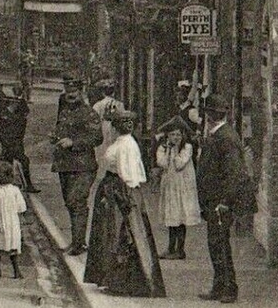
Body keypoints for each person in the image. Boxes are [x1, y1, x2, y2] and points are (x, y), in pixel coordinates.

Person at [84, 109, 165, 298]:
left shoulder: (126, 145)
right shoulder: (123, 142)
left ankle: (125, 282)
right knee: (111, 234)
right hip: (114, 189)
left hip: (120, 191)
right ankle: (113, 279)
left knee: (121, 234)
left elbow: (128, 175)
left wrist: (125, 199)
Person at [197, 96, 249, 304]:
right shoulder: (219, 135)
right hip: (214, 200)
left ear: (209, 115)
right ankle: (219, 286)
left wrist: (225, 201)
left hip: (220, 202)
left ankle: (229, 287)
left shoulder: (225, 137)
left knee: (220, 244)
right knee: (216, 244)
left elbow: (234, 174)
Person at [52, 86, 102, 255]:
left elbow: (97, 138)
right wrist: (56, 137)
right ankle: (77, 241)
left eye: (74, 92)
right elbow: (60, 131)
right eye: (68, 92)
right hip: (65, 165)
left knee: (77, 202)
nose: (71, 95)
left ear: (81, 93)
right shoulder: (64, 112)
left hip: (83, 166)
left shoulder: (89, 113)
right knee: (70, 204)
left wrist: (73, 142)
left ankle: (79, 244)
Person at [155, 115, 202, 260]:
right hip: (170, 186)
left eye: (178, 135)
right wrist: (168, 150)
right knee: (172, 216)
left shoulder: (187, 148)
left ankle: (180, 250)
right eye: (172, 135)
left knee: (181, 217)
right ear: (167, 136)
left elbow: (179, 164)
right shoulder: (163, 148)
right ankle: (170, 248)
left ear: (183, 135)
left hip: (183, 186)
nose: (176, 137)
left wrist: (174, 150)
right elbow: (162, 163)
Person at [0, 162, 28, 278]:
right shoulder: (15, 190)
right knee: (13, 245)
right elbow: (22, 207)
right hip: (12, 222)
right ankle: (16, 271)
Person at [0, 84, 38, 193]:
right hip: (9, 144)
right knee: (23, 161)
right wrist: (6, 142)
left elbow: (21, 129)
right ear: (12, 103)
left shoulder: (16, 115)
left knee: (10, 164)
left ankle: (10, 185)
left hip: (16, 143)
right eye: (16, 103)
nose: (17, 105)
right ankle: (26, 185)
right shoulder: (4, 115)